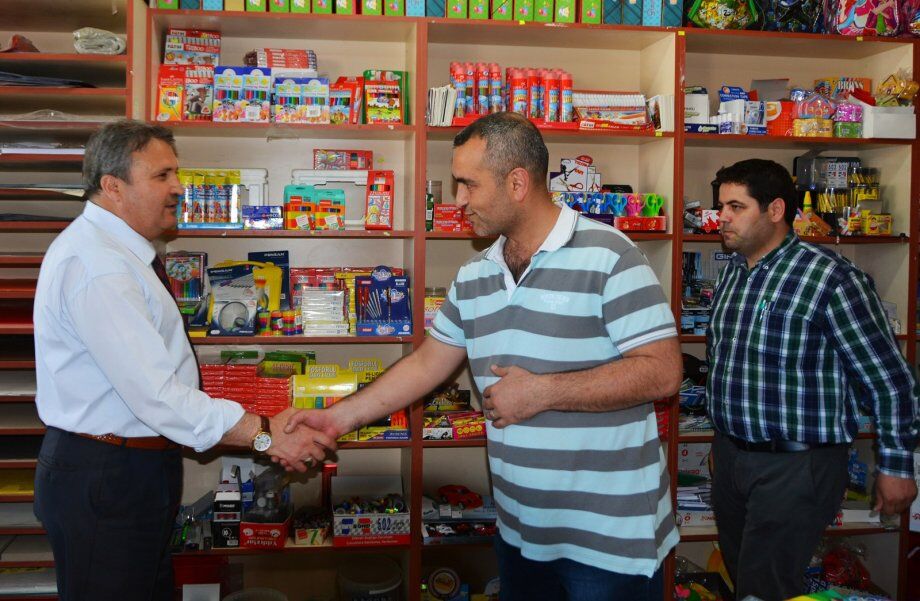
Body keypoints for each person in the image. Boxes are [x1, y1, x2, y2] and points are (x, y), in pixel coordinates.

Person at [285, 112, 682, 600]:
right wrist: (335, 419)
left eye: (468, 184)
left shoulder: (611, 255)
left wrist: (543, 393)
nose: (458, 200)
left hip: (608, 542)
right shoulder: (476, 275)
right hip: (519, 533)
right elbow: (427, 364)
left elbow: (663, 373)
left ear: (517, 183)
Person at [32, 120, 335, 601]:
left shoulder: (121, 253)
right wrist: (264, 433)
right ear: (113, 186)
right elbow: (157, 395)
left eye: (176, 174)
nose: (178, 188)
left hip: (130, 469)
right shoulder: (99, 266)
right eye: (162, 176)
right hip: (106, 476)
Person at [706, 158, 919, 601]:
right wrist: (723, 448)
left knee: (765, 587)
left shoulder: (831, 278)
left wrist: (897, 466)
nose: (721, 217)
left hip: (797, 465)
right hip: (733, 459)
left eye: (735, 207)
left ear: (775, 210)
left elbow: (889, 379)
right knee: (744, 579)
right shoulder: (732, 275)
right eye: (720, 206)